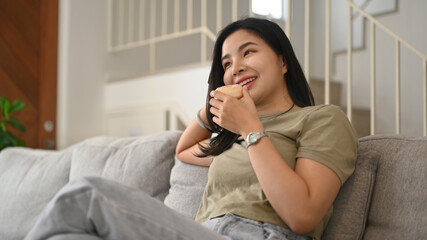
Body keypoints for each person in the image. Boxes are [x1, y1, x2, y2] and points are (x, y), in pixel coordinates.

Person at [25, 18, 358, 240]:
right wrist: (210, 110)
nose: (236, 67)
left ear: (283, 61)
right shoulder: (237, 138)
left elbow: (303, 216)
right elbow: (184, 151)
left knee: (87, 193)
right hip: (204, 232)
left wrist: (251, 127)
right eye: (226, 63)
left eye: (248, 52)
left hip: (258, 234)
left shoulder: (322, 119)